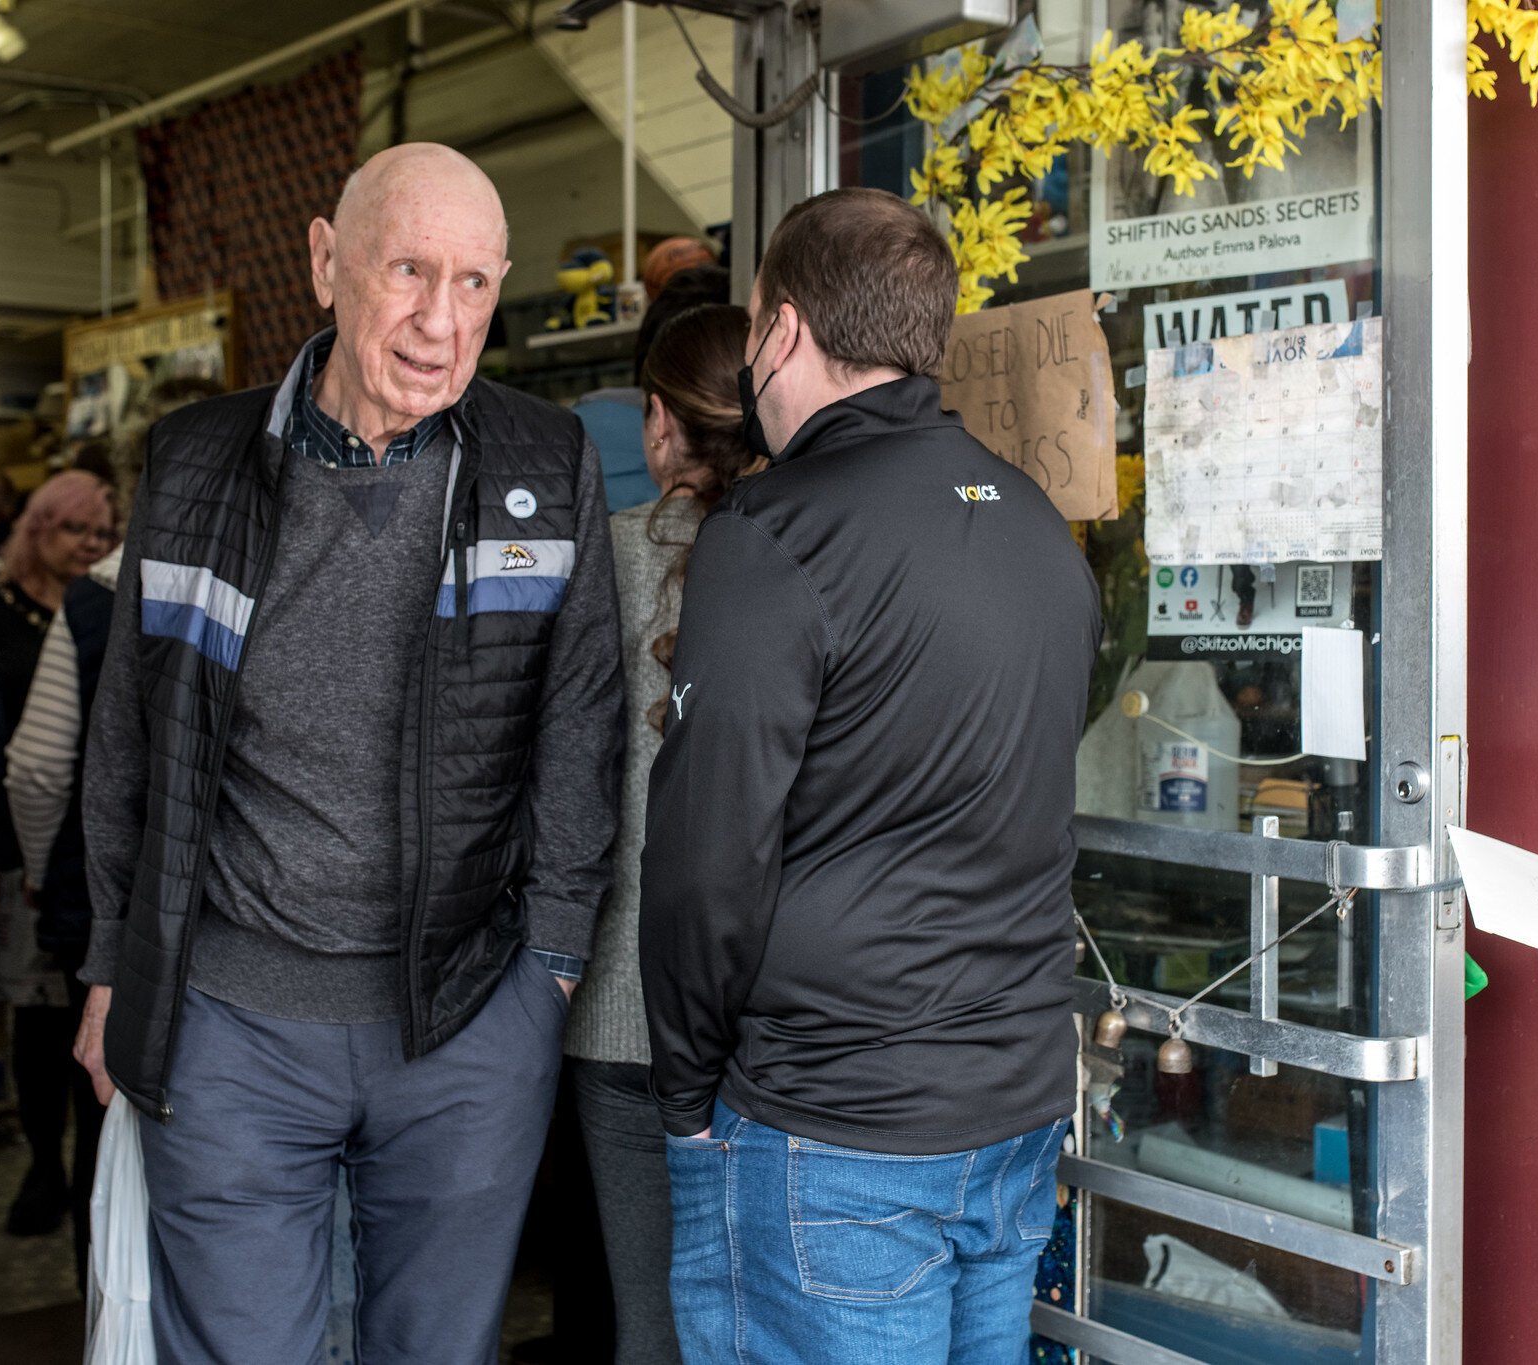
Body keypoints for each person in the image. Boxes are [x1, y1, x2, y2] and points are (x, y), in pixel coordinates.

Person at [71, 142, 621, 1365]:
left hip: (467, 1022)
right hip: (229, 1025)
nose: (441, 321)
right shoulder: (193, 459)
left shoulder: (544, 460)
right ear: (326, 263)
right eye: (408, 270)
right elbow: (129, 734)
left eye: (474, 283)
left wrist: (550, 970)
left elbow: (580, 723)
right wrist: (114, 964)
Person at [639, 187, 1102, 1362]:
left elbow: (703, 859)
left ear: (782, 329)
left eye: (753, 323)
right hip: (1012, 1105)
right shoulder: (1036, 524)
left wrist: (684, 1096)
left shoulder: (773, 533)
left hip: (832, 1129)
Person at [566, 303, 759, 1363]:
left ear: (657, 423)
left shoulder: (599, 556)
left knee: (648, 1315)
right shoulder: (799, 551)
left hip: (618, 1002)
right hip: (765, 1010)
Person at [4, 379, 222, 1282]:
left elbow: (38, 765)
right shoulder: (275, 571)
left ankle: (107, 1302)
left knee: (104, 1103)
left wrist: (38, 868)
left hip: (107, 898)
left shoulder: (96, 595)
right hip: (233, 910)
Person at [0, 469, 115, 1238]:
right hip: (24, 846)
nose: (90, 544)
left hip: (69, 859)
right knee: (37, 1016)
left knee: (86, 1034)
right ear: (39, 530)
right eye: (75, 529)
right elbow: (21, 758)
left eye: (102, 532)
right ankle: (42, 1163)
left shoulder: (100, 605)